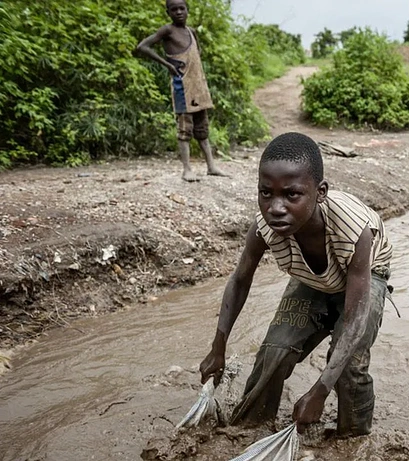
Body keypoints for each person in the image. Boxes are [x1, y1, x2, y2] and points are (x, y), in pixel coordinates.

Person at [198, 132, 393, 437]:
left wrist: (319, 391)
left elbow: (354, 320)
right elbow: (239, 280)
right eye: (266, 193)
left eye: (291, 195)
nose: (276, 207)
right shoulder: (264, 228)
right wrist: (217, 348)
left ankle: (352, 438)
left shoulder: (353, 229)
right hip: (312, 279)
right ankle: (249, 427)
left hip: (365, 276)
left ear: (320, 192)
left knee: (349, 366)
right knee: (274, 351)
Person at [135, 0, 227, 182]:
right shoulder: (167, 31)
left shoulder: (191, 32)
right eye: (174, 9)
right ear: (168, 12)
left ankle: (211, 166)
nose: (178, 12)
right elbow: (142, 47)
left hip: (198, 87)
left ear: (187, 10)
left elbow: (196, 55)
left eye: (181, 8)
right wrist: (167, 64)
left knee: (202, 129)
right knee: (184, 129)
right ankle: (187, 170)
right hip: (182, 88)